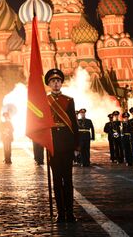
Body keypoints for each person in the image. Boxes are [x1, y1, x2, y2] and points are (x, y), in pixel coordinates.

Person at [44, 68, 79, 223]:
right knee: (57, 181)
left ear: (61, 83)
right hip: (53, 146)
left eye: (58, 81)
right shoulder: (45, 100)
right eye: (53, 81)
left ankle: (70, 212)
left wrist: (76, 146)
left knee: (68, 180)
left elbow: (74, 124)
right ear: (49, 84)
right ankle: (61, 212)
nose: (56, 83)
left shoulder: (69, 100)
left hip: (67, 144)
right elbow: (41, 124)